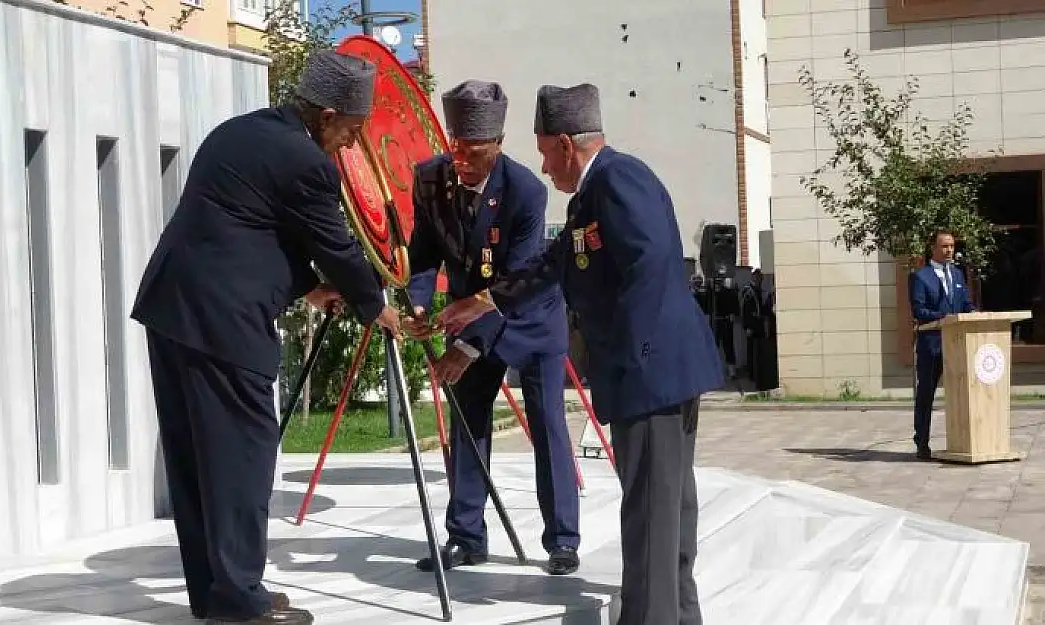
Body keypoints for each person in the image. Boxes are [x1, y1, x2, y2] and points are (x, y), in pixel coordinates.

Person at [130, 50, 403, 625]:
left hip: (172, 310)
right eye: (351, 132)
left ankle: (216, 593)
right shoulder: (307, 161)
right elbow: (335, 245)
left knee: (193, 460)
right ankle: (242, 600)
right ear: (327, 116)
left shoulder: (240, 132)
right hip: (223, 326)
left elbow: (245, 227)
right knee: (240, 458)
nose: (351, 147)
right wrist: (374, 305)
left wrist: (307, 288)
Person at [437, 83, 724, 625]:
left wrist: (629, 353)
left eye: (545, 151)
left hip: (649, 370)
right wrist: (484, 299)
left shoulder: (620, 178)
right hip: (652, 369)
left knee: (651, 513)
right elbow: (553, 264)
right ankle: (680, 614)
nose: (544, 166)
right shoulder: (592, 195)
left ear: (567, 144)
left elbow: (652, 265)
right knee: (664, 508)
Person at [402, 79, 581, 576]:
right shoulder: (430, 179)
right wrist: (418, 305)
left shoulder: (525, 191)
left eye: (473, 151)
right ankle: (465, 536)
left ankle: (562, 539)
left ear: (497, 146)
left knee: (548, 427)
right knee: (468, 424)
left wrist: (469, 343)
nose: (460, 159)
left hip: (527, 320)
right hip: (468, 314)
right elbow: (423, 254)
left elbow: (517, 281)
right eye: (455, 146)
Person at [909, 230, 976, 460]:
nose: (950, 250)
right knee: (926, 394)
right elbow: (919, 311)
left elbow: (966, 303)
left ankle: (966, 441)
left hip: (958, 345)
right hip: (932, 345)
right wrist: (944, 317)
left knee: (964, 392)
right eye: (945, 246)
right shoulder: (921, 276)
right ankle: (922, 442)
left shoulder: (957, 275)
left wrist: (974, 314)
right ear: (933, 248)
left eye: (952, 246)